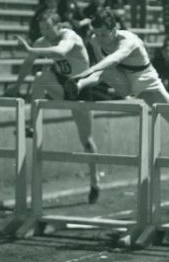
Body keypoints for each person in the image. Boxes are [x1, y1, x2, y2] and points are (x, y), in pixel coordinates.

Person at [7, 12, 104, 204]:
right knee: (40, 78)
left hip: (80, 87)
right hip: (61, 84)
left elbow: (60, 51)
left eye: (49, 28)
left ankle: (95, 181)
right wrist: (17, 86)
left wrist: (29, 48)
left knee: (86, 140)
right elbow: (28, 63)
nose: (45, 33)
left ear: (58, 27)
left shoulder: (70, 36)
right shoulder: (42, 41)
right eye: (42, 29)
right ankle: (33, 125)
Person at [66, 10, 169, 141]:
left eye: (103, 35)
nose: (100, 39)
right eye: (97, 34)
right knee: (104, 72)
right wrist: (82, 78)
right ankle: (78, 86)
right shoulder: (95, 40)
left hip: (146, 80)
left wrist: (87, 72)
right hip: (123, 81)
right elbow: (104, 67)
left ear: (114, 30)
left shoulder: (128, 41)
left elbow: (113, 60)